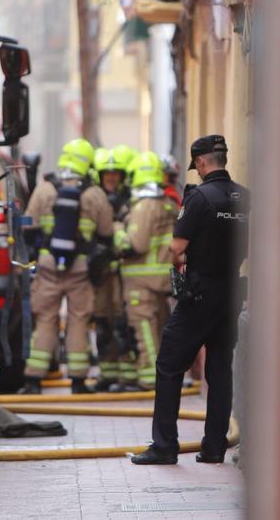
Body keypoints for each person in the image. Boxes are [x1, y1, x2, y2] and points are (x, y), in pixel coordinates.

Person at [132, 135, 249, 465]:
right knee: (220, 368)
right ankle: (214, 447)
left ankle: (165, 446)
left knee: (169, 364)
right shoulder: (246, 197)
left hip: (199, 295)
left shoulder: (199, 198)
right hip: (231, 294)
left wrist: (178, 263)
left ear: (201, 163)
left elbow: (177, 248)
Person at [20, 138, 114, 394]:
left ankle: (33, 380)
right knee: (79, 321)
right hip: (81, 269)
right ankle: (78, 381)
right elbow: (107, 232)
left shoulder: (45, 189)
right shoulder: (94, 194)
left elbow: (28, 225)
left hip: (48, 265)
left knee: (46, 319)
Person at [115, 152, 178, 391]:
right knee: (159, 328)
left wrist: (118, 230)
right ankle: (162, 377)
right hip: (160, 278)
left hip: (140, 281)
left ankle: (151, 379)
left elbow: (135, 244)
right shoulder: (167, 204)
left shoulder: (145, 207)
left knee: (144, 330)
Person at [91, 145, 137, 391]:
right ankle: (107, 374)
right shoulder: (94, 199)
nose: (110, 178)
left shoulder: (130, 200)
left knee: (122, 322)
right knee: (102, 322)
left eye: (114, 174)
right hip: (102, 273)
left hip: (122, 272)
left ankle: (126, 376)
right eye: (106, 174)